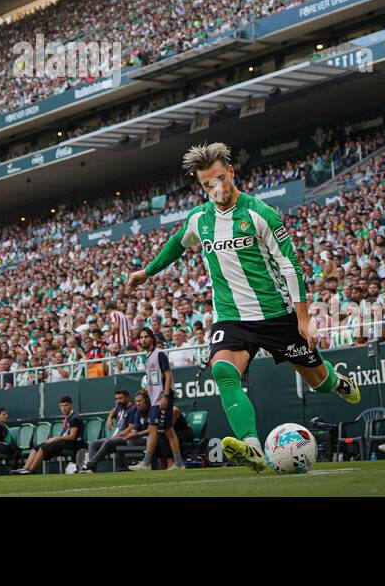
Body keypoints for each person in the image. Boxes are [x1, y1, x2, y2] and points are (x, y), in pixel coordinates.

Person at [125, 142, 360, 473]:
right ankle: (250, 446)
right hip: (232, 318)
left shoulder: (260, 214)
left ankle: (336, 380)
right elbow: (177, 243)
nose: (216, 188)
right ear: (201, 185)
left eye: (220, 178)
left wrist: (304, 319)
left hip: (276, 315)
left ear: (231, 172)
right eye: (208, 184)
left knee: (317, 380)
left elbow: (290, 265)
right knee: (223, 371)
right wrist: (146, 271)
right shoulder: (199, 219)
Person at [128, 327, 185, 471]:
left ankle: (146, 463)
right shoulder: (148, 357)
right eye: (141, 338)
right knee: (168, 431)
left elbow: (168, 375)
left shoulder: (159, 354)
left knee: (153, 428)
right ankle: (179, 463)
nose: (143, 340)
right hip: (155, 398)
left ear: (152, 338)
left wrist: (165, 396)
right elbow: (155, 379)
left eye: (146, 337)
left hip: (162, 398)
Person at [13, 396, 83, 474]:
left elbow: (72, 437)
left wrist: (55, 438)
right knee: (36, 447)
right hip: (63, 442)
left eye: (66, 405)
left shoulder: (75, 418)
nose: (64, 408)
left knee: (43, 448)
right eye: (62, 406)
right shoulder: (68, 418)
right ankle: (25, 468)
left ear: (71, 405)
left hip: (72, 444)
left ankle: (31, 470)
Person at [80, 390, 139, 473]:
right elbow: (113, 410)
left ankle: (90, 465)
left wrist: (118, 434)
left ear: (127, 397)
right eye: (117, 399)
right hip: (116, 437)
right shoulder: (120, 407)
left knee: (108, 441)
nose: (118, 400)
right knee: (93, 444)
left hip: (127, 437)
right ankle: (92, 470)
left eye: (120, 398)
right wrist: (109, 419)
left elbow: (131, 427)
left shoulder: (133, 409)